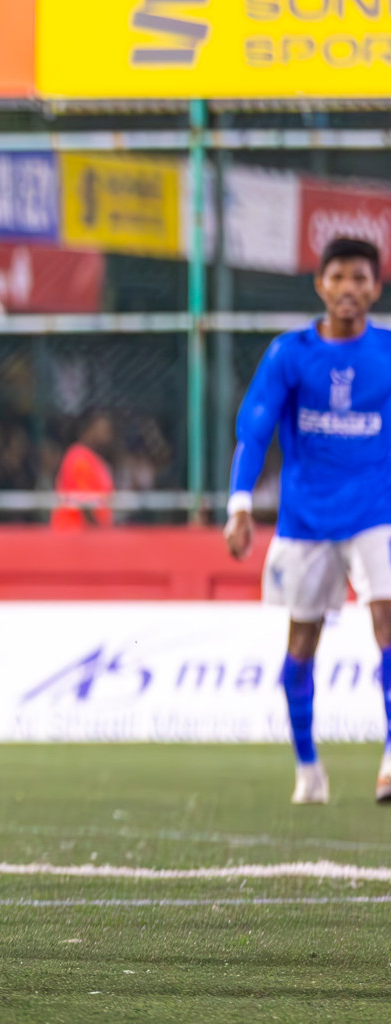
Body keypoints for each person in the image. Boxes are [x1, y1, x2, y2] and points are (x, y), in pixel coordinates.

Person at [225, 236, 391, 806]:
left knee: (388, 623)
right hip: (306, 520)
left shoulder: (388, 351)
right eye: (339, 277)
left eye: (361, 278)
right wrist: (239, 505)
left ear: (377, 287)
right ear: (321, 285)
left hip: (378, 512)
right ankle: (308, 766)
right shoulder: (289, 353)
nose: (350, 288)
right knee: (301, 644)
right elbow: (255, 428)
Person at [50, 410, 115, 529]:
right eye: (103, 429)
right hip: (76, 535)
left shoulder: (94, 459)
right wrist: (97, 533)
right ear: (88, 428)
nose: (107, 435)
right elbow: (85, 503)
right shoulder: (79, 457)